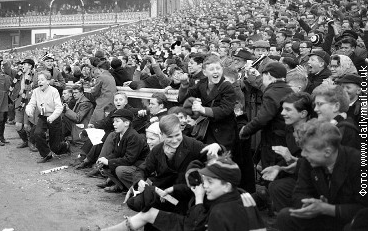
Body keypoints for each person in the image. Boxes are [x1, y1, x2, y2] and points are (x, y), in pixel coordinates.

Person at [82, 155, 250, 231]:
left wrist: (198, 199)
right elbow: (193, 188)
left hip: (193, 224)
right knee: (147, 213)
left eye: (210, 181)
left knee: (148, 213)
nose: (204, 185)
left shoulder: (225, 211)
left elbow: (195, 226)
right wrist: (172, 189)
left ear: (227, 185)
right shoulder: (232, 192)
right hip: (194, 221)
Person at [276, 119, 368, 231]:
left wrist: (328, 208)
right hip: (321, 216)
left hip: (347, 219)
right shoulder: (309, 161)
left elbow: (364, 209)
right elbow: (299, 193)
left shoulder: (359, 162)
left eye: (307, 150)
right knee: (285, 216)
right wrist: (309, 203)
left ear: (327, 152)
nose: (302, 154)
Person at [240, 62, 294, 168]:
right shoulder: (289, 89)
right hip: (287, 137)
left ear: (268, 75)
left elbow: (263, 118)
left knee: (272, 172)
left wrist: (245, 130)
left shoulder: (271, 93)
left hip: (274, 139)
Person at [264, 92, 312, 212]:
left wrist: (289, 158)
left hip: (310, 181)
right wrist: (277, 168)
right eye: (283, 109)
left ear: (303, 114)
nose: (282, 113)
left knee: (278, 187)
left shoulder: (314, 132)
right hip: (294, 175)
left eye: (288, 110)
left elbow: (311, 165)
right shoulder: (289, 128)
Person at [96, 109, 149, 193]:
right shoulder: (119, 135)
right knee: (105, 165)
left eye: (117, 121)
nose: (114, 124)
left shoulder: (133, 137)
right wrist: (105, 159)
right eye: (113, 121)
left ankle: (135, 190)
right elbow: (116, 154)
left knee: (120, 170)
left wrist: (109, 162)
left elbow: (129, 160)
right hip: (129, 164)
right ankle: (121, 187)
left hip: (139, 167)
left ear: (126, 123)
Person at [26, 71, 70, 163]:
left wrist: (52, 117)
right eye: (38, 80)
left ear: (48, 81)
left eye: (42, 80)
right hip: (43, 116)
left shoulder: (54, 91)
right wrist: (29, 110)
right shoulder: (35, 91)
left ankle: (66, 145)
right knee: (37, 133)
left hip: (54, 117)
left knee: (55, 147)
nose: (40, 82)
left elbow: (59, 107)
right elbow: (31, 104)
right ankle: (46, 154)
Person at [311, 84, 359, 149]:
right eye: (315, 105)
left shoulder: (345, 131)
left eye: (320, 104)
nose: (315, 109)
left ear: (336, 106)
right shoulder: (333, 127)